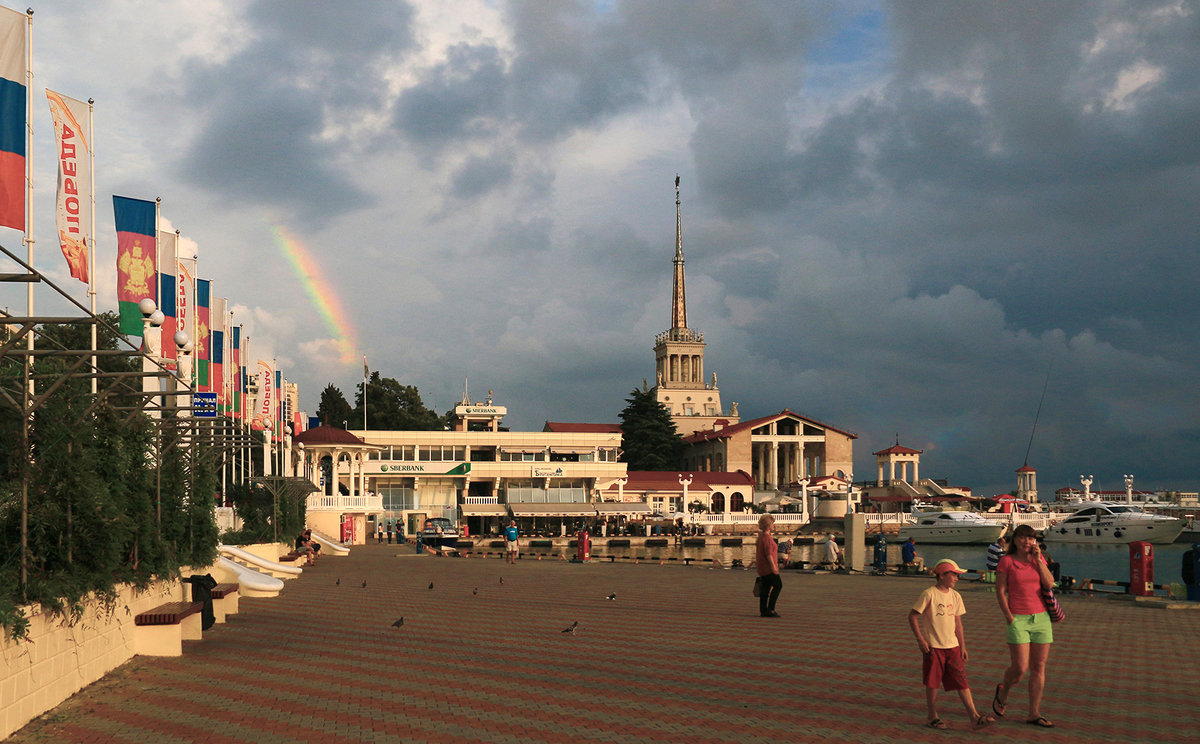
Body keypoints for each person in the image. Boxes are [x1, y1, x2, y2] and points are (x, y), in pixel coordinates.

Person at [908, 559, 994, 730]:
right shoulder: (929, 594)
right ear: (941, 576)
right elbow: (912, 616)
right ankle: (932, 716)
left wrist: (963, 647)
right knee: (933, 682)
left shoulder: (956, 596)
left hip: (952, 647)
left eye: (957, 575)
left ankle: (974, 717)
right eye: (953, 574)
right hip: (934, 647)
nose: (956, 578)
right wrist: (921, 639)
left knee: (961, 680)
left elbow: (958, 624)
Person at [993, 523, 1056, 728]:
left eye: (1031, 538)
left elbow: (1049, 583)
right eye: (1022, 537)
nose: (1026, 541)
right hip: (1017, 618)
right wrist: (1008, 616)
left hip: (1042, 619)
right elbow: (1000, 591)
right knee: (1020, 668)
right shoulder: (1007, 562)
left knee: (1039, 667)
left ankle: (1033, 713)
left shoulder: (1038, 560)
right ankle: (1003, 691)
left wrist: (1038, 560)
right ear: (1015, 539)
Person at [755, 514, 782, 617]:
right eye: (772, 524)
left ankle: (763, 610)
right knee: (778, 585)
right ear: (768, 525)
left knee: (765, 589)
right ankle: (771, 609)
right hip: (768, 568)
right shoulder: (767, 538)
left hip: (761, 567)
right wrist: (774, 567)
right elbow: (769, 554)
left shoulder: (761, 537)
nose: (774, 526)